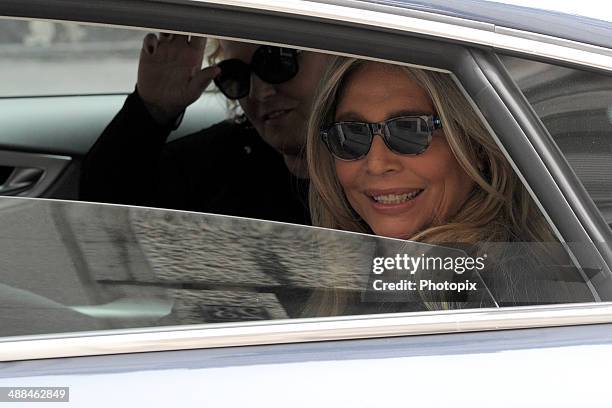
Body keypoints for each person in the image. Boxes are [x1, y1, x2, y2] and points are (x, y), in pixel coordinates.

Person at [305, 57, 594, 311]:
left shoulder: (480, 289)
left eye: (410, 130)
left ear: (475, 146)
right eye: (351, 134)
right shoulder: (366, 275)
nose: (377, 164)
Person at [80, 34, 330, 225]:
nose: (259, 92)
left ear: (338, 59)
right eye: (237, 76)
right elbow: (101, 210)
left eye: (277, 63)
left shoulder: (366, 168)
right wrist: (151, 111)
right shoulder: (227, 158)